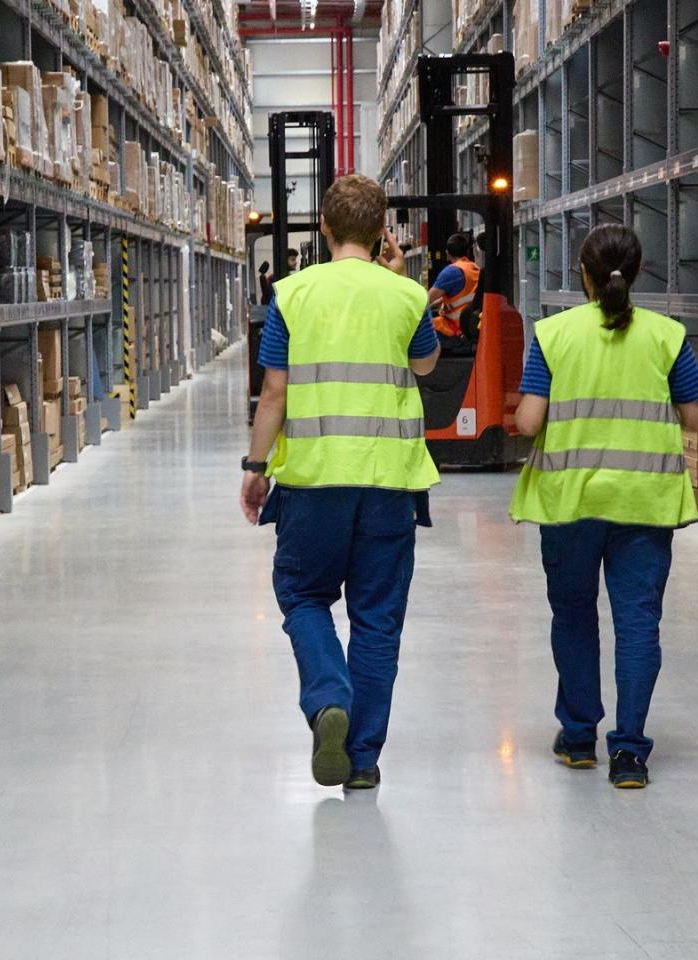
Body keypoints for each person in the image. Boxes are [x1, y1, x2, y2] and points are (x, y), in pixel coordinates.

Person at [241, 174, 441, 791]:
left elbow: (275, 391)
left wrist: (254, 468)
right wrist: (400, 278)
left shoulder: (292, 295)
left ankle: (329, 695)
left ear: (322, 227)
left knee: (303, 597)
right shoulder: (405, 295)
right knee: (378, 620)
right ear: (383, 233)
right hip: (389, 484)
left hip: (312, 484)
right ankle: (361, 758)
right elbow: (425, 363)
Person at [509, 223, 698, 790]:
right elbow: (697, 420)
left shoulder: (553, 335)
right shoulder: (668, 337)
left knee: (573, 618)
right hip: (644, 505)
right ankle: (629, 754)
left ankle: (578, 740)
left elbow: (528, 423)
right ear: (638, 273)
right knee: (637, 625)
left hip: (570, 504)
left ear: (583, 274)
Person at [427, 232, 481, 352]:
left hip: (454, 330)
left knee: (421, 331)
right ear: (467, 252)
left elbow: (425, 300)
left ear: (447, 253)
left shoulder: (451, 272)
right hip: (471, 327)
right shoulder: (474, 268)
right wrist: (434, 305)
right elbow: (461, 297)